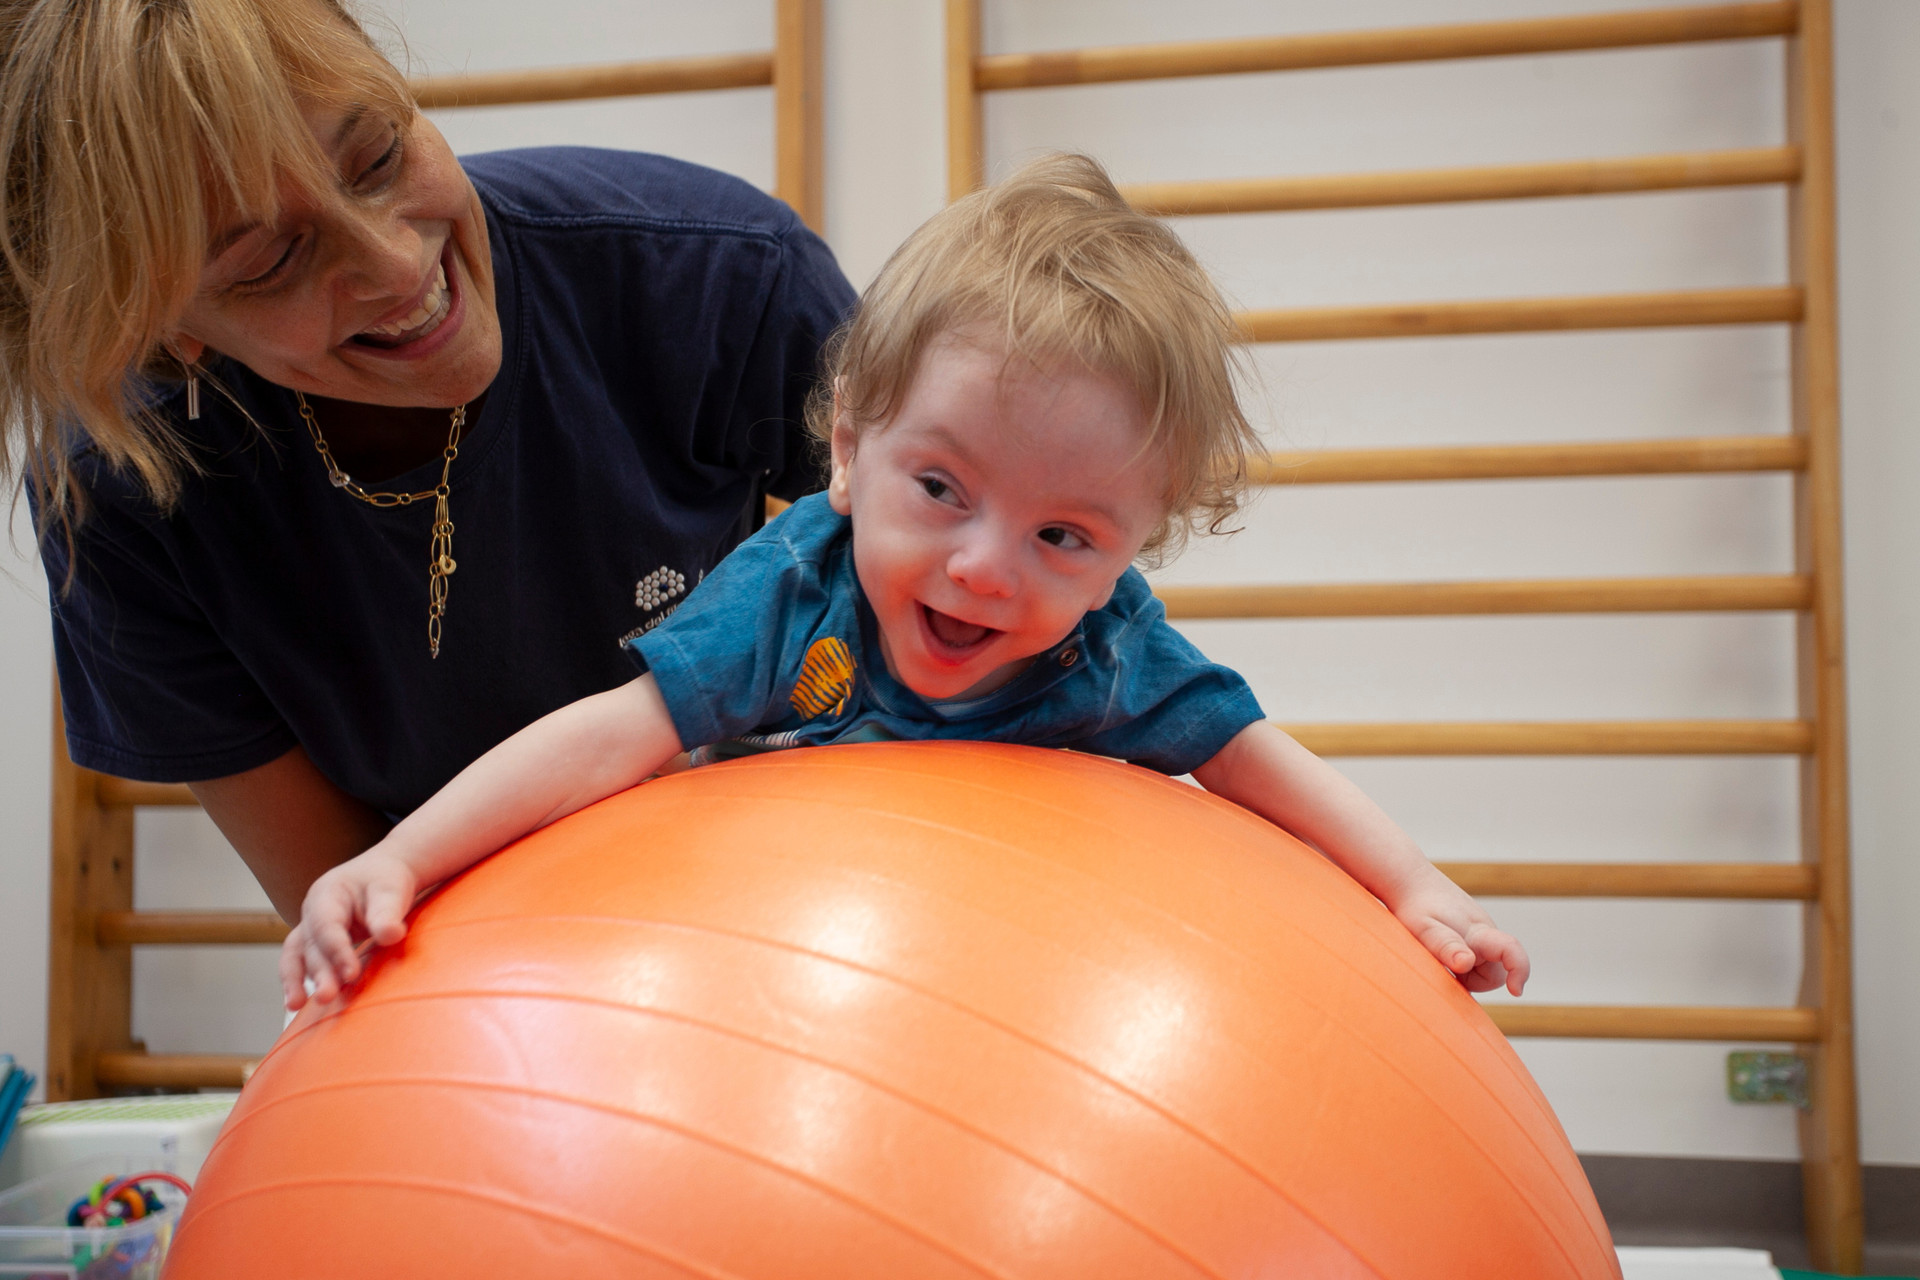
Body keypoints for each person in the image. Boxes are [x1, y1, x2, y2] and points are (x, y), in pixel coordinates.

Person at [282, 153, 1530, 1011]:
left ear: (1128, 559)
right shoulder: (792, 590)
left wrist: (1416, 886)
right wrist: (403, 857)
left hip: (1022, 973)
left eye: (1065, 539)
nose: (985, 567)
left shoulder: (1107, 649)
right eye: (941, 489)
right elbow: (610, 735)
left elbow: (1259, 758)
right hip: (803, 959)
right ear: (848, 449)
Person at [1, 0, 855, 920]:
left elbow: (971, 657)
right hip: (469, 965)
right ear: (164, 327)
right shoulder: (124, 494)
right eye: (274, 260)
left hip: (785, 885)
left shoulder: (714, 274)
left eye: (379, 158)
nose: (397, 263)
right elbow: (355, 904)